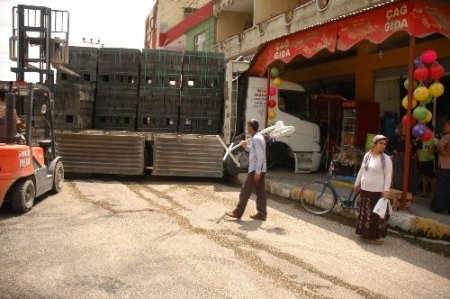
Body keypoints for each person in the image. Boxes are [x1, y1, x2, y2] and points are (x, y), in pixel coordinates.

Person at [354, 135, 393, 244]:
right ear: (374, 144)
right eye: (381, 143)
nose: (383, 146)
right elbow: (362, 171)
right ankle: (364, 234)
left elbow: (388, 176)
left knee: (376, 214)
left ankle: (375, 237)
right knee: (366, 213)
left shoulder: (386, 159)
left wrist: (386, 190)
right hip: (365, 189)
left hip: (377, 191)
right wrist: (357, 183)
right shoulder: (367, 155)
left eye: (385, 144)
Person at [226, 119, 267, 221]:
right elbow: (254, 151)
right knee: (260, 192)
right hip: (260, 169)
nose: (247, 128)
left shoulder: (257, 138)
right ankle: (262, 213)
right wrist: (246, 147)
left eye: (248, 126)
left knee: (245, 191)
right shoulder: (257, 137)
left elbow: (260, 156)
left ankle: (238, 212)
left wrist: (257, 172)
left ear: (252, 128)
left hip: (256, 169)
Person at [390, 123, 419, 194]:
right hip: (399, 157)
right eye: (403, 128)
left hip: (409, 159)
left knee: (410, 176)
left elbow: (414, 148)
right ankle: (399, 191)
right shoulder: (395, 137)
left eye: (406, 129)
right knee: (399, 175)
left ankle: (409, 193)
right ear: (399, 129)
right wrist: (394, 150)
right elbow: (389, 146)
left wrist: (414, 153)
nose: (405, 130)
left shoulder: (410, 138)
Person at [432, 120, 450, 214]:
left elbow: (440, 146)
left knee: (442, 187)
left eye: (446, 126)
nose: (444, 127)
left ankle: (439, 207)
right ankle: (446, 209)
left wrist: (443, 153)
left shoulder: (446, 137)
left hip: (444, 165)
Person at [416, 132, 438, 199]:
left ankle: (433, 194)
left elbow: (441, 147)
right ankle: (424, 192)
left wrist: (435, 150)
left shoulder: (433, 139)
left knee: (432, 178)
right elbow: (418, 149)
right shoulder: (420, 139)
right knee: (424, 177)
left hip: (430, 161)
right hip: (422, 160)